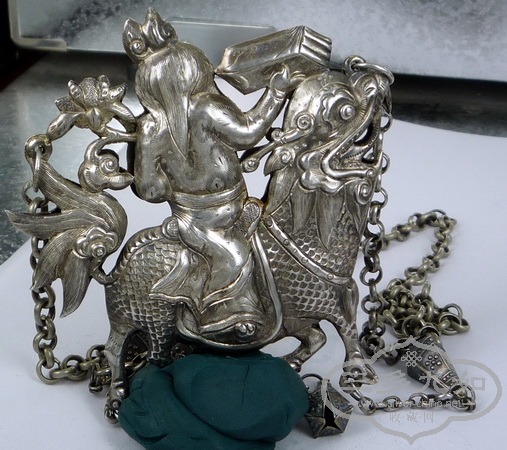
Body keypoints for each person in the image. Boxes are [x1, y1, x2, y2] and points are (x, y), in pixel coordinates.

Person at [124, 10, 293, 341]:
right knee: (235, 257)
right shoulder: (204, 107)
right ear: (193, 70)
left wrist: (171, 178)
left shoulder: (150, 127)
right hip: (197, 221)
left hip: (219, 209)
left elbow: (150, 189)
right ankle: (218, 320)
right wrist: (275, 93)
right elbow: (248, 133)